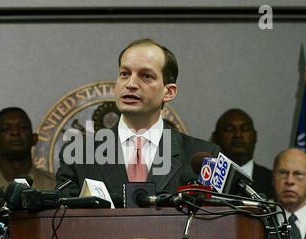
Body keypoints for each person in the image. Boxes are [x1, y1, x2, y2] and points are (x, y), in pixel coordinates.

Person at [56, 38, 220, 203]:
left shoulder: (203, 158)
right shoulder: (78, 154)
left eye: (146, 76)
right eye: (124, 74)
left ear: (168, 92)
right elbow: (62, 222)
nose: (131, 84)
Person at [212, 108, 275, 200]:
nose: (238, 134)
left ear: (255, 136)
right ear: (215, 137)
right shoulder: (205, 179)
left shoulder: (273, 181)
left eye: (245, 129)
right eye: (229, 129)